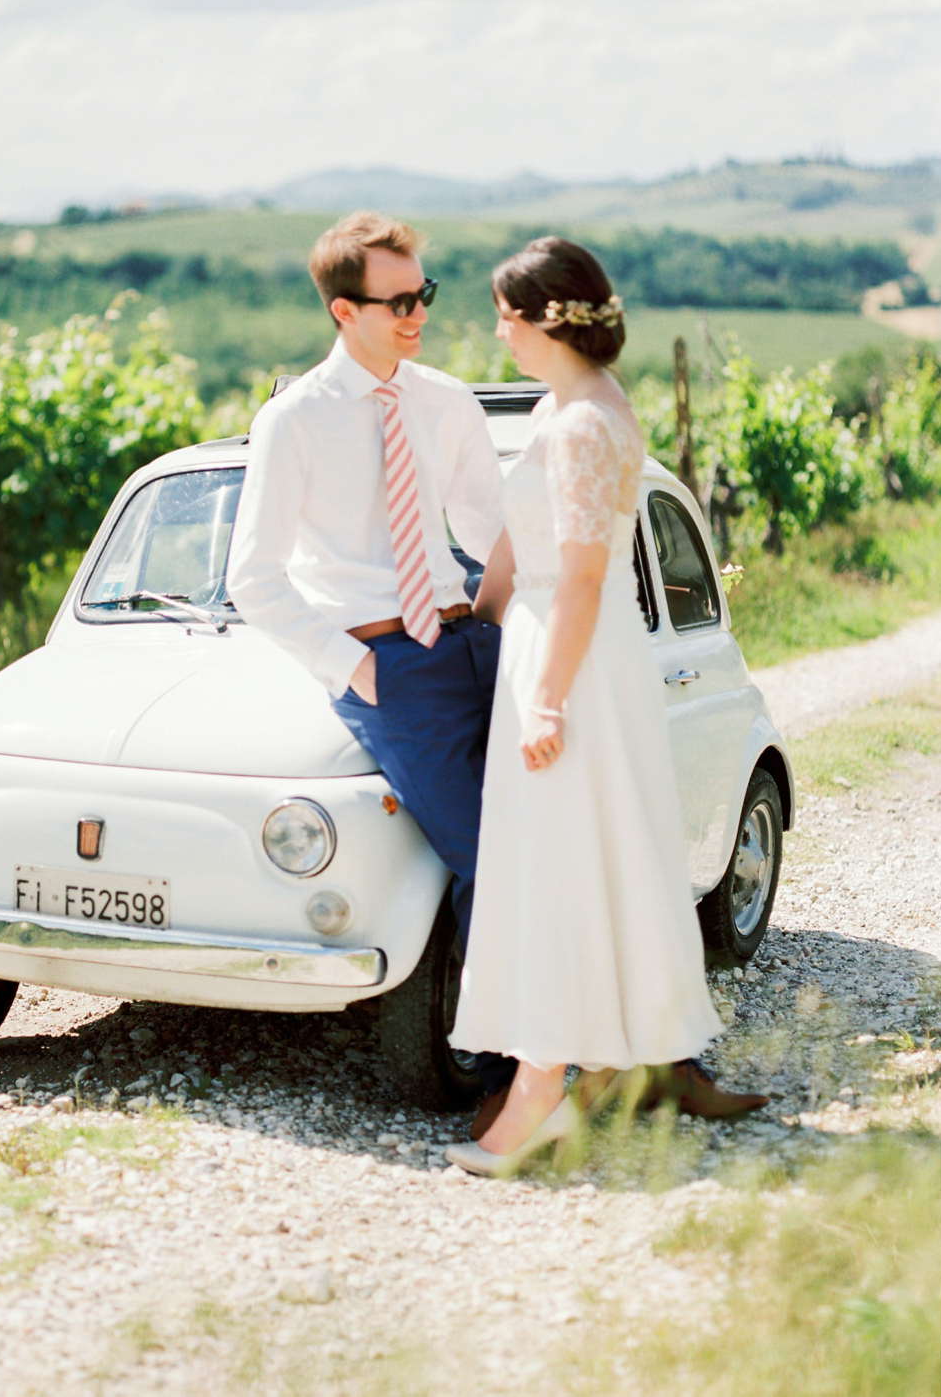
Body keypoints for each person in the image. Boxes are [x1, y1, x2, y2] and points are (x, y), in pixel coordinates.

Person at [446, 237, 765, 1177]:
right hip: (552, 644)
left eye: (506, 311)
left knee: (562, 864)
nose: (497, 327)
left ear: (547, 317)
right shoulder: (564, 407)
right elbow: (525, 543)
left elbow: (584, 574)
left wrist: (544, 701)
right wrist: (474, 618)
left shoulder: (587, 422)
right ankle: (630, 1059)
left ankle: (543, 1083)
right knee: (589, 856)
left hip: (574, 659)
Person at [226, 211, 517, 1105]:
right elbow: (255, 580)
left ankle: (600, 1037)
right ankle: (502, 1067)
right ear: (343, 311)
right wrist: (354, 671)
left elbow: (491, 529)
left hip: (478, 640)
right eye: (398, 300)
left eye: (424, 292)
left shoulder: (444, 400)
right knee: (489, 857)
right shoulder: (295, 421)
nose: (418, 312)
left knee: (561, 829)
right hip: (389, 670)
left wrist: (543, 620)